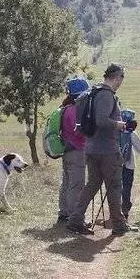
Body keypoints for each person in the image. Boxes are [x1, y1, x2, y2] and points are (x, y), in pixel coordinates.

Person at [67, 63, 138, 236]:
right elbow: (101, 120)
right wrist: (120, 125)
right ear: (117, 77)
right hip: (107, 149)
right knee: (114, 186)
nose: (121, 82)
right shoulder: (106, 95)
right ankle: (119, 225)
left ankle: (75, 220)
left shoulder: (91, 93)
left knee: (92, 184)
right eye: (122, 78)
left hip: (91, 147)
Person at [56, 77, 90, 225]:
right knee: (76, 185)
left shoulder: (66, 108)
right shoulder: (76, 110)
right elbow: (79, 132)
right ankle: (75, 217)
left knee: (67, 183)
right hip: (77, 150)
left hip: (67, 150)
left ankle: (64, 213)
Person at [119, 109, 140, 220]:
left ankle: (115, 209)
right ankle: (125, 209)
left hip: (115, 164)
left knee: (116, 186)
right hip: (129, 165)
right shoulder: (132, 134)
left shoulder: (114, 132)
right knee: (127, 187)